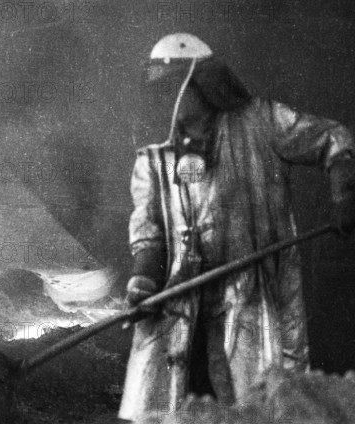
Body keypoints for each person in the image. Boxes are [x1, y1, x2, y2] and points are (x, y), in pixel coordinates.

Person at [119, 33, 355, 422]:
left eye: (170, 88)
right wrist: (143, 281)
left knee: (256, 405)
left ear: (201, 84)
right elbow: (150, 234)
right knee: (170, 410)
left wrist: (345, 192)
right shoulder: (154, 157)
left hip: (250, 296)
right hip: (182, 306)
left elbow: (330, 138)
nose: (163, 99)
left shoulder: (260, 122)